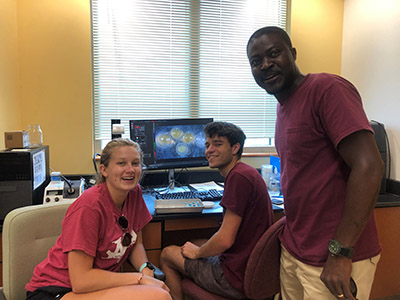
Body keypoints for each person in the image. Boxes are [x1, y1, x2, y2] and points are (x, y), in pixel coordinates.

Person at [247, 26, 384, 300]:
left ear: (293, 54)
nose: (266, 65)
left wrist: (341, 252)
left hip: (334, 258)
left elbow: (369, 166)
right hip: (296, 250)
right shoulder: (283, 106)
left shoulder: (326, 89)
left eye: (274, 53)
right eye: (256, 61)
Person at [25, 138, 171, 300]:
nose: (130, 169)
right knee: (158, 296)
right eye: (121, 163)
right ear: (104, 170)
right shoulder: (89, 207)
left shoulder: (134, 193)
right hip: (56, 290)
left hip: (93, 287)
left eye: (135, 163)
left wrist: (145, 268)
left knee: (160, 292)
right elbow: (81, 281)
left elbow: (136, 242)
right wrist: (140, 279)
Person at [159, 121, 274, 300]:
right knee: (195, 241)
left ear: (235, 148)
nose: (209, 150)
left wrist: (197, 253)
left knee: (168, 254)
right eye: (207, 145)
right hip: (252, 268)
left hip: (233, 279)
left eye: (217, 144)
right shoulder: (246, 172)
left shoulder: (238, 178)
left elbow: (225, 240)